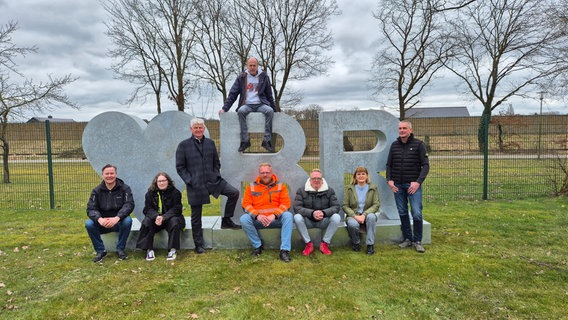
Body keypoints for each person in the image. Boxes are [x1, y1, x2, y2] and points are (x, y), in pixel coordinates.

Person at [175, 118, 241, 254]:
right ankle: (198, 245)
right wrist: (190, 180)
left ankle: (226, 220)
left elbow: (216, 162)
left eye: (200, 127)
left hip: (214, 181)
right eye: (195, 128)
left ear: (204, 129)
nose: (198, 130)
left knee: (234, 193)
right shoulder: (183, 145)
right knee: (196, 216)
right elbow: (180, 167)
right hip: (196, 184)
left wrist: (216, 174)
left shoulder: (210, 143)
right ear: (191, 129)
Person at [386, 120, 430, 253]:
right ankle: (407, 238)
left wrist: (418, 182)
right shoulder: (394, 145)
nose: (402, 130)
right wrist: (389, 180)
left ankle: (417, 241)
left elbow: (426, 166)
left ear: (410, 130)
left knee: (416, 213)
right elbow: (389, 165)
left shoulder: (419, 145)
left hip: (413, 185)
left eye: (405, 128)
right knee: (402, 212)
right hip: (398, 186)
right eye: (400, 128)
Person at [219, 57, 278, 153]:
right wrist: (224, 109)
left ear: (257, 66)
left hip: (261, 104)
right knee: (241, 111)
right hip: (247, 104)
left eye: (254, 65)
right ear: (247, 66)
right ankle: (245, 141)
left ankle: (267, 141)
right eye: (250, 65)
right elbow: (233, 94)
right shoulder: (242, 77)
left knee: (269, 111)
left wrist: (275, 110)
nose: (252, 67)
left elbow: (269, 95)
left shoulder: (264, 77)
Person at [240, 163, 293, 262]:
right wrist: (257, 216)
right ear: (259, 174)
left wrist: (274, 215)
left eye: (267, 172)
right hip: (259, 220)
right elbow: (246, 205)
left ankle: (284, 250)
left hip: (275, 220)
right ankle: (258, 246)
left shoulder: (281, 186)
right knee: (244, 219)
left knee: (288, 216)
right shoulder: (250, 187)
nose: (265, 175)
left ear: (271, 173)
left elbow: (286, 204)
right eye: (262, 173)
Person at [86, 164, 134, 263]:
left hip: (118, 221)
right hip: (103, 222)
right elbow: (91, 209)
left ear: (116, 174)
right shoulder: (96, 191)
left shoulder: (125, 189)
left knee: (128, 221)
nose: (109, 176)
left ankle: (120, 249)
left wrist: (117, 218)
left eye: (112, 173)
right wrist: (99, 219)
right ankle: (101, 251)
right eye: (106, 173)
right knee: (89, 224)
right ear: (102, 175)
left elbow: (129, 205)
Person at [136, 172, 185, 261]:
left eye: (164, 181)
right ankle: (149, 250)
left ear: (168, 181)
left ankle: (172, 250)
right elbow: (147, 209)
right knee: (146, 221)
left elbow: (177, 209)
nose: (161, 183)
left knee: (175, 222)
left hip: (169, 219)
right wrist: (157, 216)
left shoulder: (175, 193)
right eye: (159, 181)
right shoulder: (150, 193)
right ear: (156, 182)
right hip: (156, 220)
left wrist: (164, 217)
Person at [293, 169, 341, 256]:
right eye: (314, 178)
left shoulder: (329, 190)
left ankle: (325, 243)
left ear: (322, 180)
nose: (316, 180)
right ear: (310, 180)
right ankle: (308, 244)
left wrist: (324, 213)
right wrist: (312, 213)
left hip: (323, 220)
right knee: (297, 217)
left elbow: (336, 207)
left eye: (318, 178)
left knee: (336, 217)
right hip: (308, 221)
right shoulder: (301, 190)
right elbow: (297, 207)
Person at [342, 166, 380, 255]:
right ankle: (356, 243)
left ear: (367, 176)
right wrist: (355, 216)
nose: (361, 176)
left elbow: (376, 204)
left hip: (367, 214)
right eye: (358, 174)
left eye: (363, 174)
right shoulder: (349, 188)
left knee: (371, 217)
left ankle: (370, 245)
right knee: (352, 224)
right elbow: (345, 205)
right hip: (354, 215)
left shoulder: (373, 188)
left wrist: (364, 214)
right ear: (355, 176)